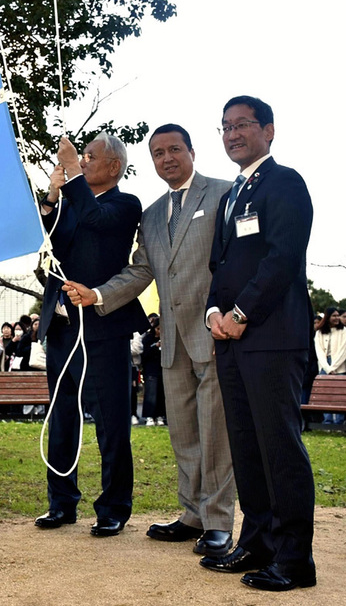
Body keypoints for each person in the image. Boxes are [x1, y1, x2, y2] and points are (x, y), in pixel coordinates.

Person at [64, 123, 235, 557]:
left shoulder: (222, 193)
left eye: (174, 149)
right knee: (183, 433)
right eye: (158, 153)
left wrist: (233, 313)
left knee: (214, 432)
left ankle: (217, 522)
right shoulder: (154, 213)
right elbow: (142, 269)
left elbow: (237, 258)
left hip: (214, 332)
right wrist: (98, 294)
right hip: (172, 339)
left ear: (192, 152)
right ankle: (192, 514)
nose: (167, 159)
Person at [202, 95, 315, 591]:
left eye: (243, 124)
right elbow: (219, 268)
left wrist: (242, 313)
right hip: (230, 341)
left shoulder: (284, 183)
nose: (232, 134)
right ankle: (259, 542)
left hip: (272, 339)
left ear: (268, 130)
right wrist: (213, 313)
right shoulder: (230, 196)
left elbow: (282, 257)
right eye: (225, 126)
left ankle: (294, 561)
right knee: (247, 449)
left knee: (278, 449)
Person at [35, 133, 147, 537]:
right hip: (63, 327)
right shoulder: (70, 201)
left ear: (114, 166)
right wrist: (52, 194)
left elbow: (98, 222)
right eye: (80, 156)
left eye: (88, 156)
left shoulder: (125, 203)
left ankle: (114, 506)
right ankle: (61, 503)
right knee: (61, 417)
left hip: (103, 327)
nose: (81, 162)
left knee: (111, 421)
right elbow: (47, 233)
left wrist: (72, 180)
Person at [313, 307, 346, 424]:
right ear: (327, 317)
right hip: (324, 366)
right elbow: (319, 352)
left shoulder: (343, 330)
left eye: (338, 315)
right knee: (325, 395)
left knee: (340, 395)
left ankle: (339, 421)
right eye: (334, 316)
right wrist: (327, 368)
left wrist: (333, 368)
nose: (336, 318)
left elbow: (343, 351)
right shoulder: (319, 332)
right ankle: (327, 420)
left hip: (339, 366)